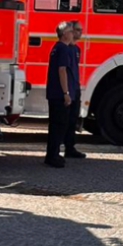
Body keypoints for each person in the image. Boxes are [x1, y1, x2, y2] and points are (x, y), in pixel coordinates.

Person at [44, 21, 85, 168]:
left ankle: (54, 154)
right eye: (70, 31)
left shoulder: (61, 48)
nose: (73, 33)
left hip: (58, 93)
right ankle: (52, 156)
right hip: (60, 94)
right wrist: (66, 93)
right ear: (64, 34)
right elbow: (62, 71)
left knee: (59, 125)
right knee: (58, 126)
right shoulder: (63, 49)